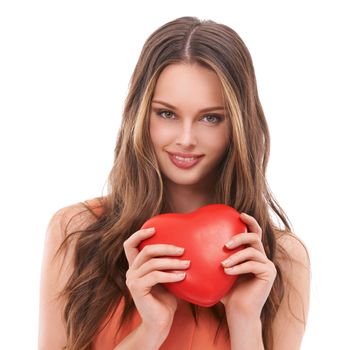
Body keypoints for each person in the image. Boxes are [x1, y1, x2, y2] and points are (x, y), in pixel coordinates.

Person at [38, 16, 311, 350]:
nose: (185, 139)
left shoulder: (280, 260)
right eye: (166, 113)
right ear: (140, 115)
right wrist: (151, 330)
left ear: (239, 125)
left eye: (211, 118)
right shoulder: (76, 232)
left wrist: (244, 319)